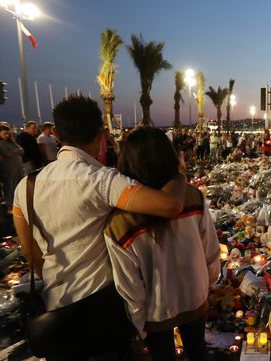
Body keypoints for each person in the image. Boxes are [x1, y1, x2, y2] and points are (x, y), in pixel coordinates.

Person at [12, 96, 186, 360]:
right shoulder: (103, 181)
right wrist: (178, 175)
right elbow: (170, 205)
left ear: (57, 134)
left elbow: (29, 250)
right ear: (102, 133)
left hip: (56, 309)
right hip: (102, 308)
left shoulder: (26, 186)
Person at [104, 127, 219, 361]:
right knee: (199, 351)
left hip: (156, 311)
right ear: (169, 155)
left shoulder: (119, 221)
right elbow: (211, 248)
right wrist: (208, 284)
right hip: (194, 295)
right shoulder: (192, 196)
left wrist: (138, 326)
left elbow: (129, 285)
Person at [0, 124, 24, 211]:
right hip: (7, 169)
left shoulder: (11, 141)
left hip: (17, 168)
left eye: (8, 133)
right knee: (8, 188)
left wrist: (15, 151)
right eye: (5, 133)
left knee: (17, 187)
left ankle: (17, 205)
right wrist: (14, 151)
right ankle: (9, 205)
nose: (7, 135)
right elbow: (6, 153)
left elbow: (22, 150)